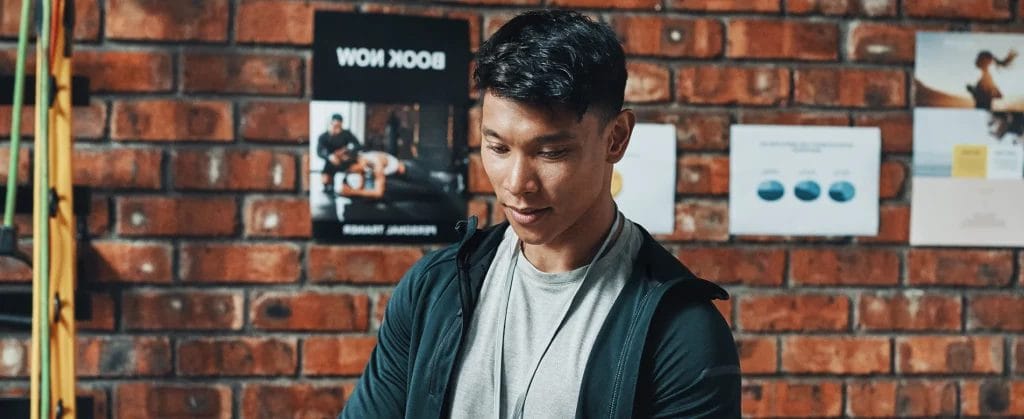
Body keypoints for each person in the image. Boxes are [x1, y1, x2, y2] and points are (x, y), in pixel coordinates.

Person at [340, 10, 740, 419]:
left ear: (615, 138)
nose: (517, 183)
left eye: (551, 153)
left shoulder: (681, 332)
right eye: (497, 148)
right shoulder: (432, 289)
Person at [317, 113, 363, 194]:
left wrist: (347, 151)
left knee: (356, 168)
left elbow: (358, 145)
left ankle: (349, 185)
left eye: (338, 126)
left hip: (345, 161)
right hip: (331, 162)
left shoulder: (346, 134)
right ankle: (328, 186)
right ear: (330, 123)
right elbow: (320, 151)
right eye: (334, 125)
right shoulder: (323, 136)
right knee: (326, 175)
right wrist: (330, 156)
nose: (336, 128)